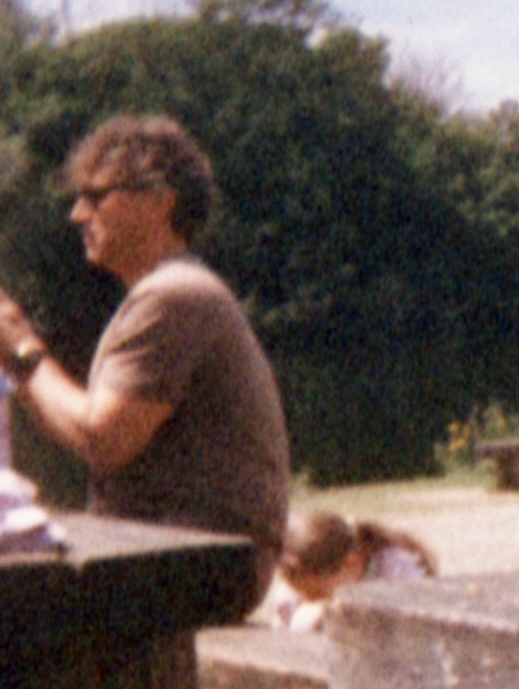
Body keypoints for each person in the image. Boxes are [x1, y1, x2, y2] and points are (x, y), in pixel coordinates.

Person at [0, 116, 288, 605]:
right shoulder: (173, 292)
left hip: (199, 566)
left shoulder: (174, 297)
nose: (77, 214)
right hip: (190, 556)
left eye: (96, 196)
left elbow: (102, 439)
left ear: (159, 202)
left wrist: (21, 347)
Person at [272, 509, 438, 629]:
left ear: (351, 563)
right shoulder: (296, 584)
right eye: (304, 595)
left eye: (319, 594)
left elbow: (421, 624)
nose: (311, 601)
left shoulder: (396, 571)